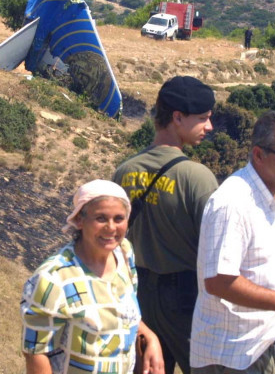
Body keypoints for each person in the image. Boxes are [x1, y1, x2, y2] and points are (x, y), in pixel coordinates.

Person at [191, 111, 275, 374]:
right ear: (258, 155)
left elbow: (266, 271)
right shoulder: (233, 203)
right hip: (230, 355)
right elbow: (218, 280)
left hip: (258, 345)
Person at [112, 76, 218, 374]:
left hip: (139, 294)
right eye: (203, 119)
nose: (209, 127)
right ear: (177, 117)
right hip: (186, 298)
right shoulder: (197, 178)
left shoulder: (125, 171)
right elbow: (215, 250)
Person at [21, 180, 164, 374]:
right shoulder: (54, 279)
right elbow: (35, 352)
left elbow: (123, 313)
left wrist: (150, 336)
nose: (111, 227)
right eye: (101, 218)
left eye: (119, 218)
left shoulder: (124, 254)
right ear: (80, 220)